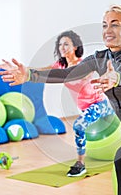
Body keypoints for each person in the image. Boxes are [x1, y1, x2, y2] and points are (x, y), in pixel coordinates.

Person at [0, 4, 121, 195]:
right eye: (105, 24)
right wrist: (30, 75)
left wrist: (118, 78)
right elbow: (68, 73)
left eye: (115, 24)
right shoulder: (99, 59)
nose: (108, 30)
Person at [34, 30, 114, 177]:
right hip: (84, 108)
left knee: (78, 125)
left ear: (75, 46)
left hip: (100, 104)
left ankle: (80, 164)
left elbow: (87, 73)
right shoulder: (60, 65)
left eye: (66, 44)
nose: (62, 48)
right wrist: (24, 71)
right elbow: (42, 70)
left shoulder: (84, 64)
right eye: (60, 45)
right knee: (80, 125)